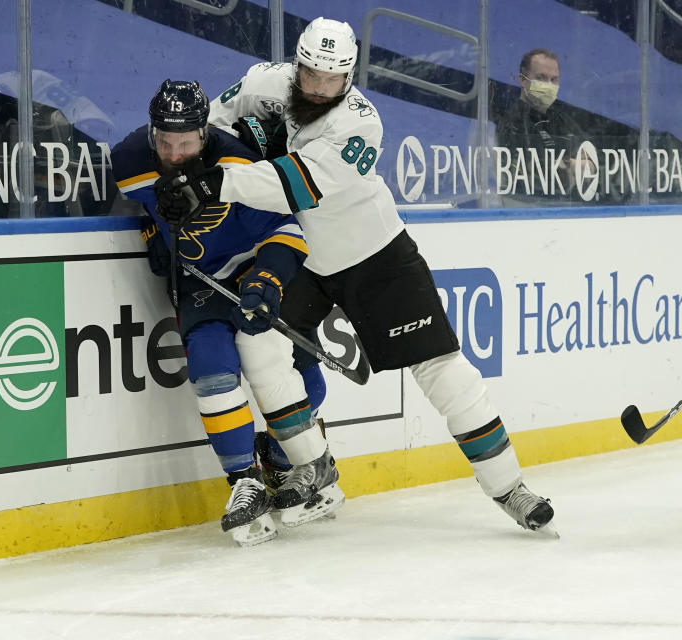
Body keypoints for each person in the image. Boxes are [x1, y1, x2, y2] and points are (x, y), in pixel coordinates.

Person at [155, 18, 557, 534]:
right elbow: (204, 124)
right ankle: (312, 467)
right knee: (257, 346)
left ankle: (510, 487)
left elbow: (296, 185)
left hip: (377, 257)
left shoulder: (361, 123)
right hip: (304, 258)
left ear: (348, 76)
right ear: (297, 65)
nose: (318, 88)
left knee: (441, 369)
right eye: (310, 75)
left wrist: (214, 183)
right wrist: (181, 166)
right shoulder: (266, 83)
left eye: (331, 79)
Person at [111, 79, 343, 546]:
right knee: (211, 369)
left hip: (265, 268)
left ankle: (289, 463)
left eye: (186, 143)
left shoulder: (238, 163)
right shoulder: (131, 160)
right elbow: (140, 203)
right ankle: (245, 482)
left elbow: (288, 230)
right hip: (202, 280)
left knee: (291, 366)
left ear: (205, 133)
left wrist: (267, 279)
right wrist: (153, 232)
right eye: (166, 142)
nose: (174, 153)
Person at [495, 48, 595, 203]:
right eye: (541, 78)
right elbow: (533, 172)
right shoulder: (512, 121)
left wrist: (564, 164)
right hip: (524, 206)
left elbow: (592, 160)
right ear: (522, 80)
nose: (548, 85)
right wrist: (571, 164)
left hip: (565, 205)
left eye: (554, 79)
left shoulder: (562, 118)